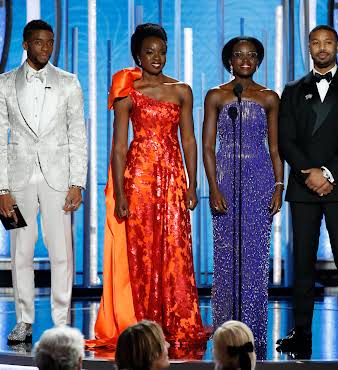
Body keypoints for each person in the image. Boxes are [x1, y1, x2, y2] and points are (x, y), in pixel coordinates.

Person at [86, 23, 205, 349]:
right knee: (140, 252)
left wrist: (193, 184)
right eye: (150, 52)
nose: (157, 57)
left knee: (174, 250)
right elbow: (119, 147)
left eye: (162, 51)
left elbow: (190, 140)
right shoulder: (128, 90)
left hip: (171, 179)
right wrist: (121, 193)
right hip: (138, 179)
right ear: (138, 54)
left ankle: (175, 321)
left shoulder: (181, 90)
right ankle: (142, 324)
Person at [0, 20, 87, 343]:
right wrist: (2, 189)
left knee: (61, 250)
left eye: (50, 42)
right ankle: (23, 320)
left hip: (58, 178)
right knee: (21, 250)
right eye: (39, 42)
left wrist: (77, 181)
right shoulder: (5, 84)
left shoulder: (68, 82)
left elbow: (78, 134)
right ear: (25, 44)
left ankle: (61, 321)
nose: (45, 48)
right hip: (18, 179)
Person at [202, 36, 283, 359]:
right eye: (238, 55)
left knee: (254, 258)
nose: (245, 60)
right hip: (225, 178)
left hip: (259, 177)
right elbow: (208, 147)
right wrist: (213, 187)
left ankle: (253, 333)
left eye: (251, 55)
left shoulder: (269, 98)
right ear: (229, 61)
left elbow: (275, 148)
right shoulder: (216, 96)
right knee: (225, 258)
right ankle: (225, 331)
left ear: (259, 60)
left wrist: (279, 186)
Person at [277, 25, 338, 357]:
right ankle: (302, 333)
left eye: (328, 43)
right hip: (304, 187)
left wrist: (329, 172)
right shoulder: (292, 89)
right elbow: (285, 139)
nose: (322, 48)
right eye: (315, 43)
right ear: (308, 47)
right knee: (302, 263)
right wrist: (310, 174)